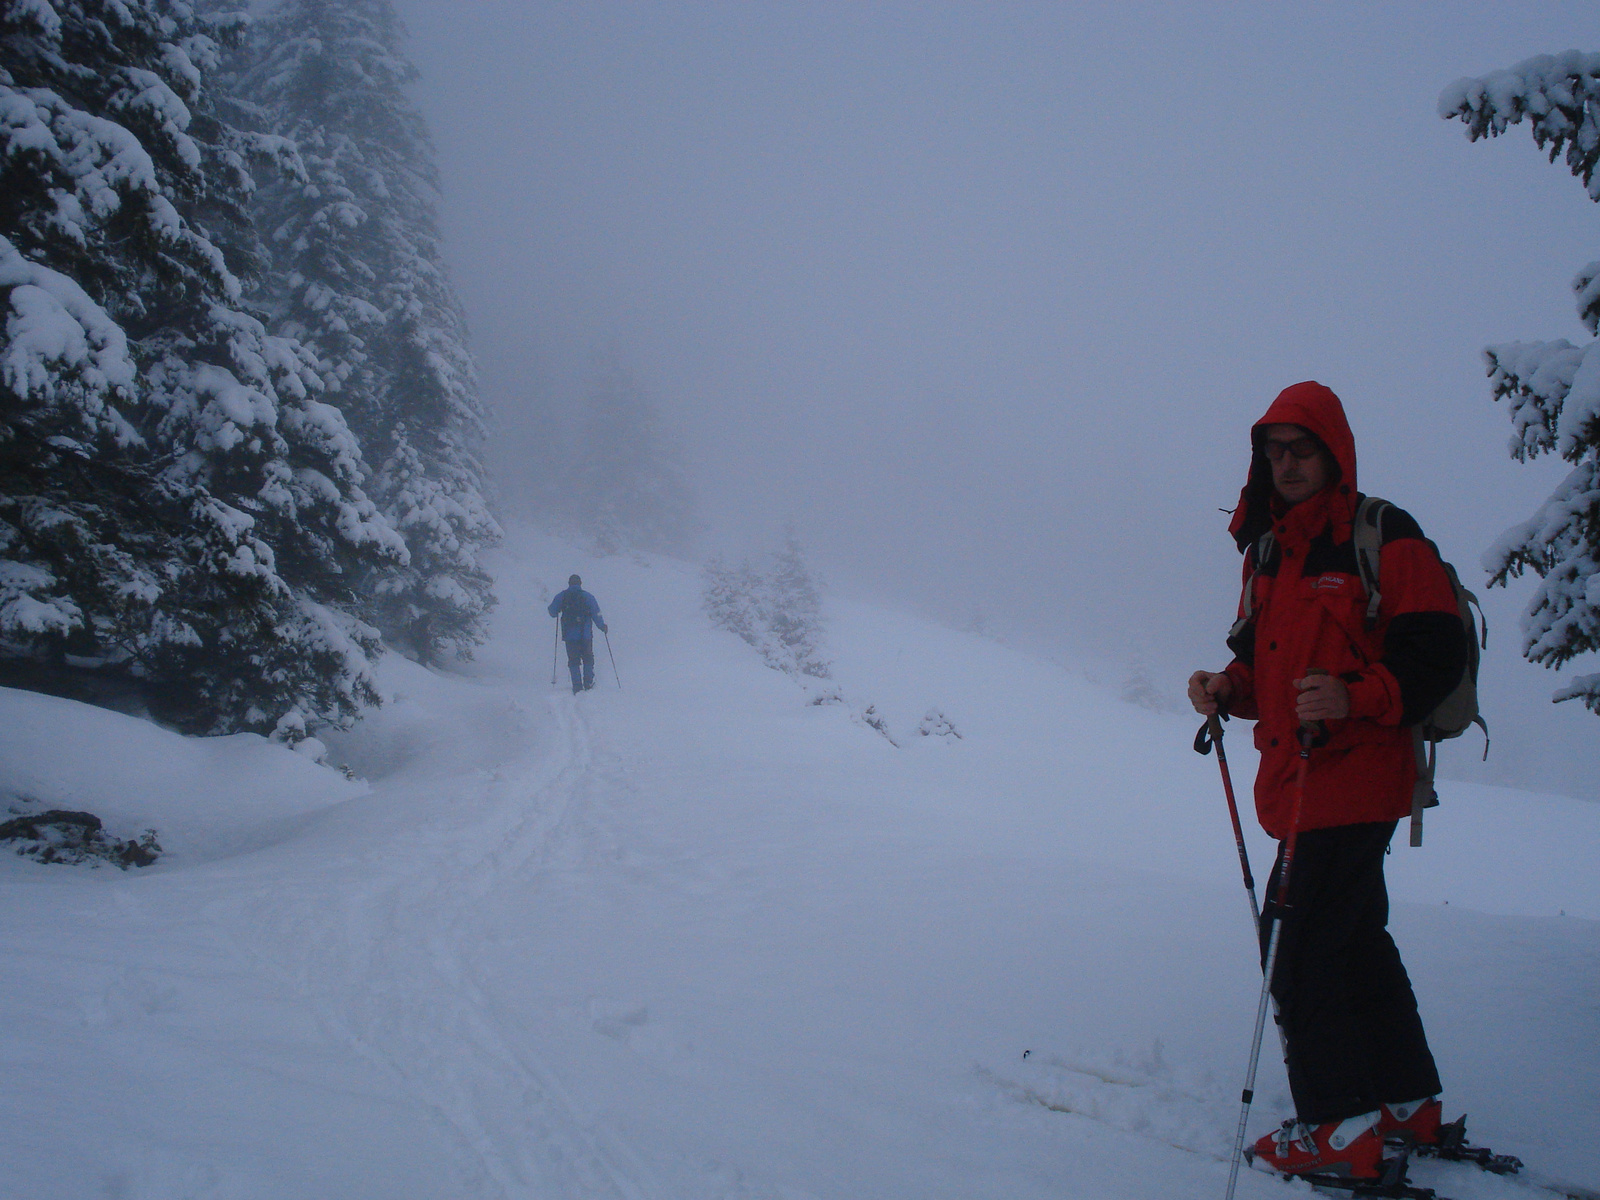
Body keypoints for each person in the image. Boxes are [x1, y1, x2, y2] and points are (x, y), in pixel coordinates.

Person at [1187, 381, 1467, 1180]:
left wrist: (1355, 697)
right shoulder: (1272, 552)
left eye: (1299, 450)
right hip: (1301, 780)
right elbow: (1260, 664)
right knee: (1350, 942)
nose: (1285, 464)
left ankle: (1341, 1133)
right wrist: (1226, 688)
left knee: (1298, 947)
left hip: (1356, 777)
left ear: (1332, 452)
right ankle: (1406, 1104)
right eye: (1273, 452)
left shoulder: (1383, 534)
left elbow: (1434, 651)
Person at [548, 574, 607, 694]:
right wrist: (602, 626)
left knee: (573, 661)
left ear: (569, 583)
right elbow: (596, 613)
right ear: (580, 583)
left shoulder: (562, 596)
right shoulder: (587, 596)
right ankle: (588, 683)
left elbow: (552, 611)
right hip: (585, 635)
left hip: (570, 635)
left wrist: (560, 609)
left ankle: (577, 686)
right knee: (588, 658)